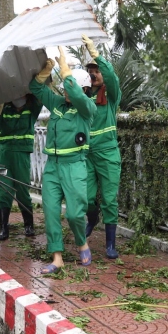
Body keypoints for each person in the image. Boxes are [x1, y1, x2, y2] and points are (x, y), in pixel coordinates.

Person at [30, 47, 97, 274]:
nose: (67, 93)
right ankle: (57, 257)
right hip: (53, 167)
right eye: (66, 89)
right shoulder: (58, 104)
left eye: (74, 88)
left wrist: (65, 68)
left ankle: (82, 243)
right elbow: (35, 88)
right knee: (50, 211)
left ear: (84, 89)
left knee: (75, 213)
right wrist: (46, 70)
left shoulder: (87, 108)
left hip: (75, 165)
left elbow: (76, 95)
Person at [81, 35, 123, 259]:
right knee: (85, 197)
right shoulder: (85, 97)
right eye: (90, 71)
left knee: (109, 199)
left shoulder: (112, 94)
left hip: (107, 155)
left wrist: (96, 54)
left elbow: (112, 77)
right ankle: (92, 216)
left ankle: (110, 244)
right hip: (87, 156)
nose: (93, 74)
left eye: (96, 70)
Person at [0, 93, 42, 240]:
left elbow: (40, 94)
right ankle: (3, 228)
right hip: (4, 153)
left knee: (22, 190)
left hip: (21, 154)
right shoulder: (4, 107)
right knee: (3, 190)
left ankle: (29, 225)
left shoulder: (32, 108)